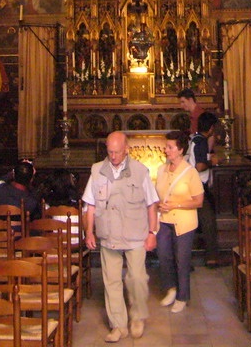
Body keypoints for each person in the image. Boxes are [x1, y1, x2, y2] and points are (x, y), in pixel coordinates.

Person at [83, 131, 159, 342]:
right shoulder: (97, 170)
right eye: (110, 152)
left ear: (126, 149)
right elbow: (89, 204)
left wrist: (152, 233)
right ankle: (118, 325)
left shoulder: (140, 171)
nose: (113, 156)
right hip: (108, 235)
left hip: (135, 234)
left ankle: (138, 317)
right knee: (111, 282)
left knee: (136, 279)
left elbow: (152, 204)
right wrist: (89, 231)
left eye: (117, 152)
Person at [156, 130, 204, 313]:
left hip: (184, 222)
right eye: (166, 146)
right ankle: (171, 288)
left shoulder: (190, 172)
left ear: (180, 149)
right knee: (163, 255)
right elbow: (157, 192)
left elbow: (198, 201)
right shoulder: (161, 169)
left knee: (181, 259)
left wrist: (176, 204)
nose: (166, 150)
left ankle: (182, 296)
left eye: (170, 147)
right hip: (164, 221)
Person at [191, 111, 222, 267]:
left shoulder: (194, 139)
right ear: (210, 128)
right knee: (208, 222)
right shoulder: (201, 141)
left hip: (192, 186)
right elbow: (200, 166)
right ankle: (211, 258)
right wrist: (213, 163)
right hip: (198, 188)